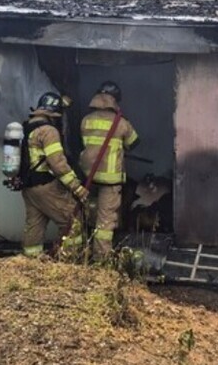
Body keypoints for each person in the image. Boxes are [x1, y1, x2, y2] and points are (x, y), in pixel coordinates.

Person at [20, 91, 88, 258]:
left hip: (29, 188)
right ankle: (69, 261)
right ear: (55, 112)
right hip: (46, 186)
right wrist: (77, 188)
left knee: (34, 225)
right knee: (73, 221)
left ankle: (31, 262)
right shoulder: (48, 131)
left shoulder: (28, 127)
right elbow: (58, 164)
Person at [79, 81, 140, 258]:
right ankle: (102, 259)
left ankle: (84, 249)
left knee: (88, 211)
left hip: (88, 176)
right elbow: (134, 143)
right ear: (115, 100)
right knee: (105, 220)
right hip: (110, 179)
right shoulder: (121, 123)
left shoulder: (86, 121)